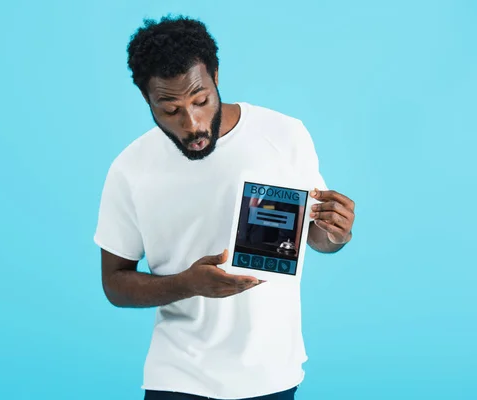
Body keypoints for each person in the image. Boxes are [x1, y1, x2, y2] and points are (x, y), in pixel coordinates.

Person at [93, 15, 356, 400]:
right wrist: (187, 284)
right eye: (170, 110)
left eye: (201, 100)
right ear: (146, 98)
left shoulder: (284, 135)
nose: (193, 123)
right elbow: (114, 284)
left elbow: (317, 237)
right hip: (178, 376)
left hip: (272, 373)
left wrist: (338, 233)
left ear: (215, 75)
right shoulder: (129, 169)